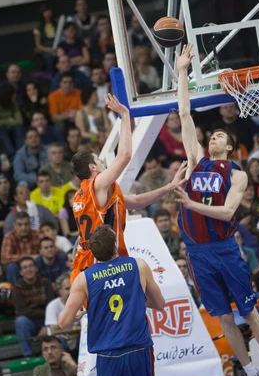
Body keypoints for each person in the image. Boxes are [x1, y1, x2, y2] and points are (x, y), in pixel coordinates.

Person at [174, 43, 259, 376]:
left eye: (220, 136)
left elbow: (226, 213)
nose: (213, 138)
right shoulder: (195, 160)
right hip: (197, 253)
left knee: (249, 311)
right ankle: (252, 374)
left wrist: (190, 203)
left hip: (224, 248)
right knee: (223, 319)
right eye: (211, 136)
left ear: (231, 146)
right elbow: (183, 113)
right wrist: (181, 72)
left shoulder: (236, 174)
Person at [58, 225, 165, 376]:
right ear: (116, 244)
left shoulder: (85, 278)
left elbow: (63, 321)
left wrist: (84, 309)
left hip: (107, 358)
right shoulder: (138, 266)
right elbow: (159, 303)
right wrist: (136, 299)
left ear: (94, 253)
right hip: (137, 351)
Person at [70, 93, 186, 283]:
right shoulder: (97, 184)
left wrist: (170, 186)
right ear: (92, 168)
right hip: (102, 264)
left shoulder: (83, 194)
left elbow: (138, 201)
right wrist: (125, 115)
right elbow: (124, 155)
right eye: (99, 160)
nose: (102, 162)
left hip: (86, 263)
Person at [13, 257, 55, 357]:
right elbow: (21, 311)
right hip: (30, 320)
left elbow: (51, 305)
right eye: (25, 267)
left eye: (31, 266)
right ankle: (28, 355)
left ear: (36, 268)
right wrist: (42, 313)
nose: (28, 269)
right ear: (21, 272)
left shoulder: (46, 283)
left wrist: (46, 326)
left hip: (46, 318)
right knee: (20, 321)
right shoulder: (17, 288)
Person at [1, 212, 41, 284]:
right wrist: (27, 257)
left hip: (34, 264)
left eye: (26, 224)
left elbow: (48, 248)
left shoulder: (36, 234)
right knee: (11, 267)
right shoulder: (9, 237)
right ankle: (17, 291)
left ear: (30, 225)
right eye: (20, 225)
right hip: (18, 266)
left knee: (40, 260)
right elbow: (5, 258)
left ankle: (41, 287)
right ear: (15, 226)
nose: (23, 228)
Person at [0, 84, 24, 159]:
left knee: (18, 127)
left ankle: (21, 152)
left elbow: (20, 121)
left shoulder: (14, 103)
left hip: (11, 129)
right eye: (13, 94)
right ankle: (11, 154)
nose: (15, 96)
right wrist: (8, 120)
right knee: (0, 128)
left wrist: (3, 121)